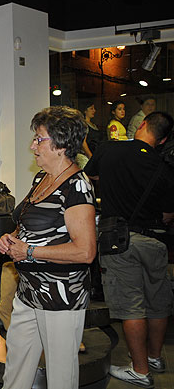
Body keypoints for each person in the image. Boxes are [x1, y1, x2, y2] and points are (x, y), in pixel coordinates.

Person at [0, 106, 96, 389]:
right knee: (15, 369)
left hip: (60, 296)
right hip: (28, 290)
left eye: (39, 139)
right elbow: (29, 225)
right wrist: (12, 238)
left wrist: (29, 252)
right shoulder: (42, 178)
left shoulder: (77, 187)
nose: (33, 146)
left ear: (61, 145)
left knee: (60, 376)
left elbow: (85, 251)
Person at [85, 112, 174, 388]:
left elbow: (90, 175)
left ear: (142, 124)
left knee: (132, 305)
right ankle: (155, 358)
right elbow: (168, 214)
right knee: (157, 302)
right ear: (163, 140)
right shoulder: (164, 167)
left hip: (119, 240)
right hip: (156, 240)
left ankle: (140, 370)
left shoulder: (110, 149)